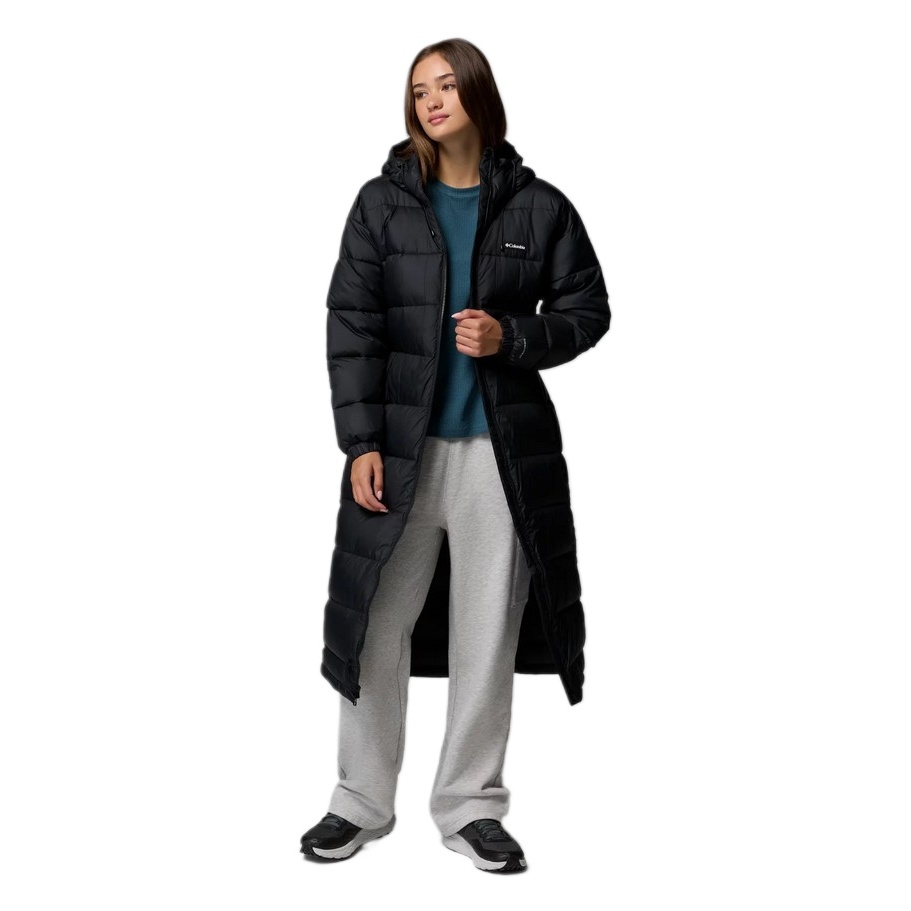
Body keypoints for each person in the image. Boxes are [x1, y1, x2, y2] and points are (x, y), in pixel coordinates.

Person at [301, 37, 611, 873]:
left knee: (487, 631)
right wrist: (360, 443)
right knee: (374, 625)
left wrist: (512, 335)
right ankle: (359, 801)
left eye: (445, 85)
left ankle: (471, 805)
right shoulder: (382, 204)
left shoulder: (538, 206)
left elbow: (588, 310)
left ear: (477, 92)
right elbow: (351, 326)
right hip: (400, 457)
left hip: (499, 460)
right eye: (418, 90)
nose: (431, 100)